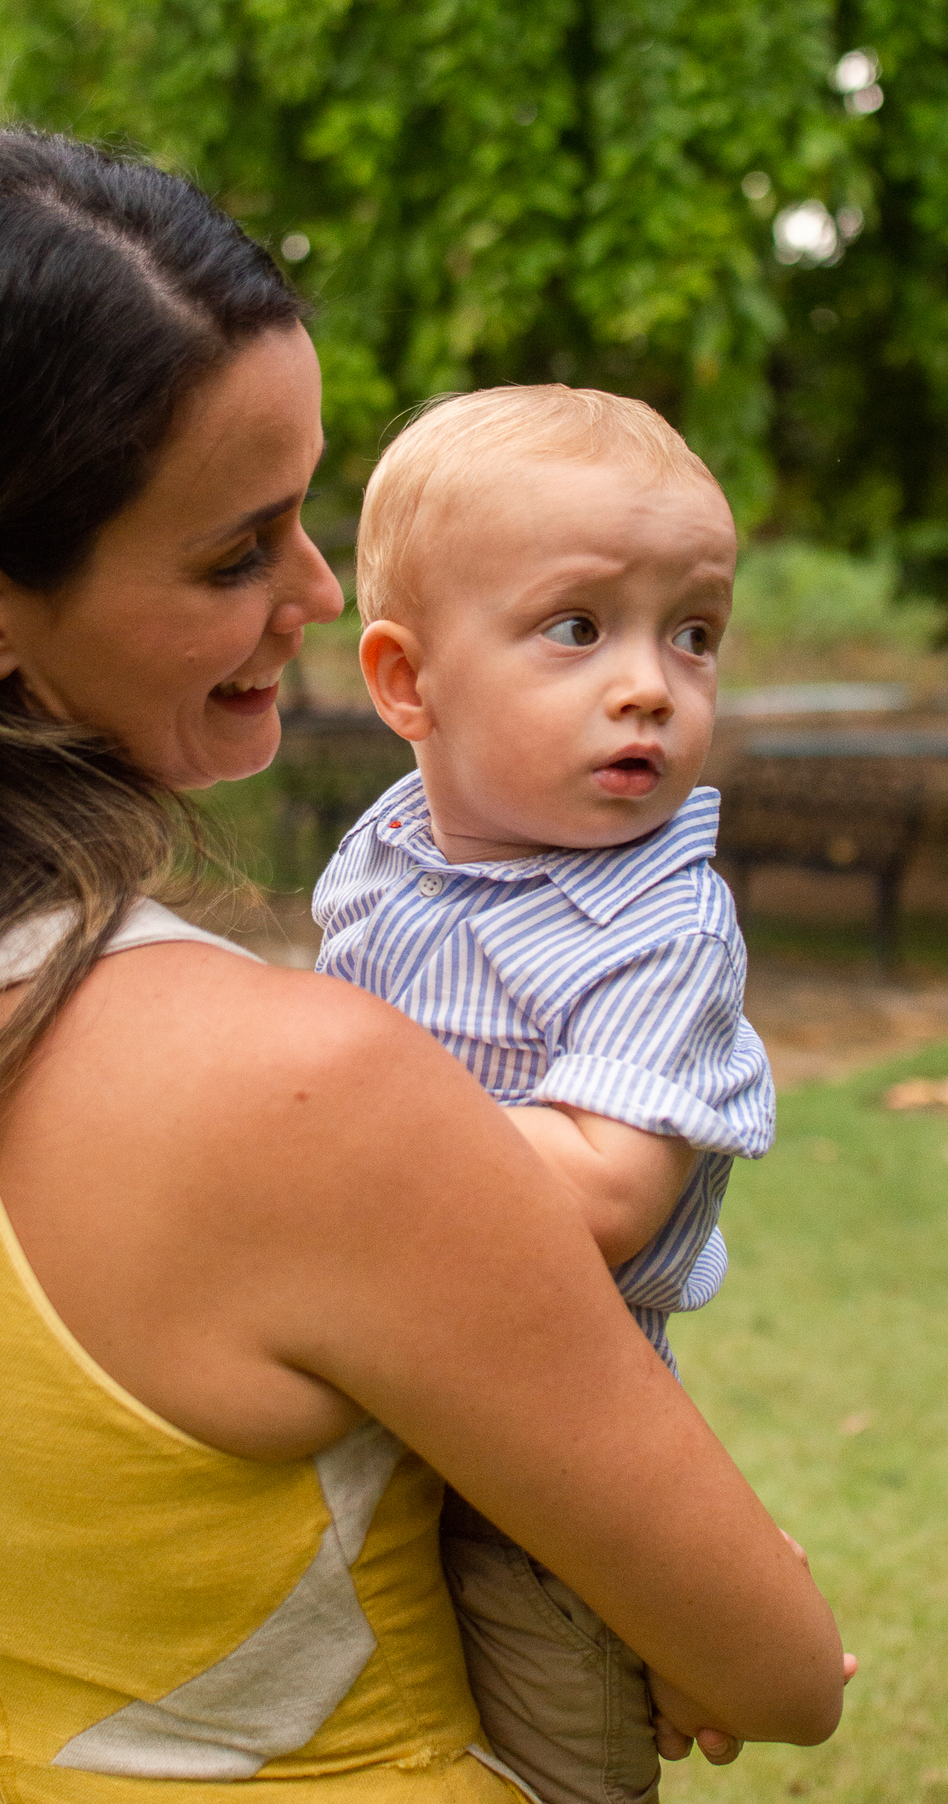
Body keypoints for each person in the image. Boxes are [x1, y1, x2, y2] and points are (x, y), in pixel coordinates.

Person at [0, 125, 849, 1804]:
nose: (323, 595)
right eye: (235, 550)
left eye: (305, 513)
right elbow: (776, 1673)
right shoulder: (303, 1091)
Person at [311, 386, 772, 1804]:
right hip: (354, 1391)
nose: (651, 682)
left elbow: (604, 1197)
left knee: (559, 1744)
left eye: (690, 634)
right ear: (407, 684)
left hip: (540, 1451)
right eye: (580, 628)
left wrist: (328, 1134)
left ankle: (683, 1612)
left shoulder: (663, 923)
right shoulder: (386, 849)